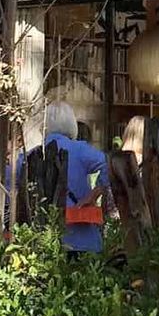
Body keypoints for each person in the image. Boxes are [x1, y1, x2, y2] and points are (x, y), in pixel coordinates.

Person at [43, 99, 110, 253]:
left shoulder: (33, 153)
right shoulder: (80, 149)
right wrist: (94, 194)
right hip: (82, 236)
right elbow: (110, 164)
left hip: (44, 238)